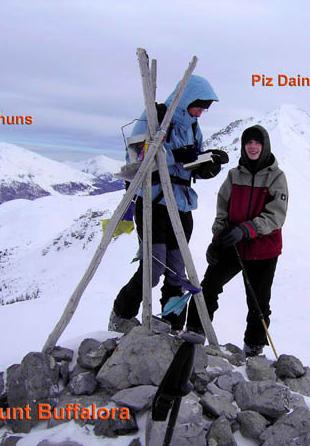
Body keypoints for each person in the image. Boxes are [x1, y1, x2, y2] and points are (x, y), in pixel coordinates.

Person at [109, 75, 223, 333]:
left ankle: (171, 324)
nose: (201, 113)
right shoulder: (156, 116)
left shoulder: (194, 127)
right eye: (199, 106)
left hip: (182, 205)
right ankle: (121, 314)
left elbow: (190, 164)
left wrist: (207, 166)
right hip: (153, 202)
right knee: (153, 265)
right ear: (187, 99)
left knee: (177, 269)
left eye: (205, 108)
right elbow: (137, 157)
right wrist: (175, 155)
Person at [185, 124, 288, 356]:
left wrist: (249, 229)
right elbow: (222, 209)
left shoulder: (277, 177)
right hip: (233, 243)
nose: (252, 147)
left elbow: (276, 216)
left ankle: (253, 350)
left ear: (264, 146)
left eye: (256, 143)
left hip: (263, 250)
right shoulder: (234, 175)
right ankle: (194, 333)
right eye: (248, 142)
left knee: (258, 303)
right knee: (208, 287)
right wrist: (217, 239)